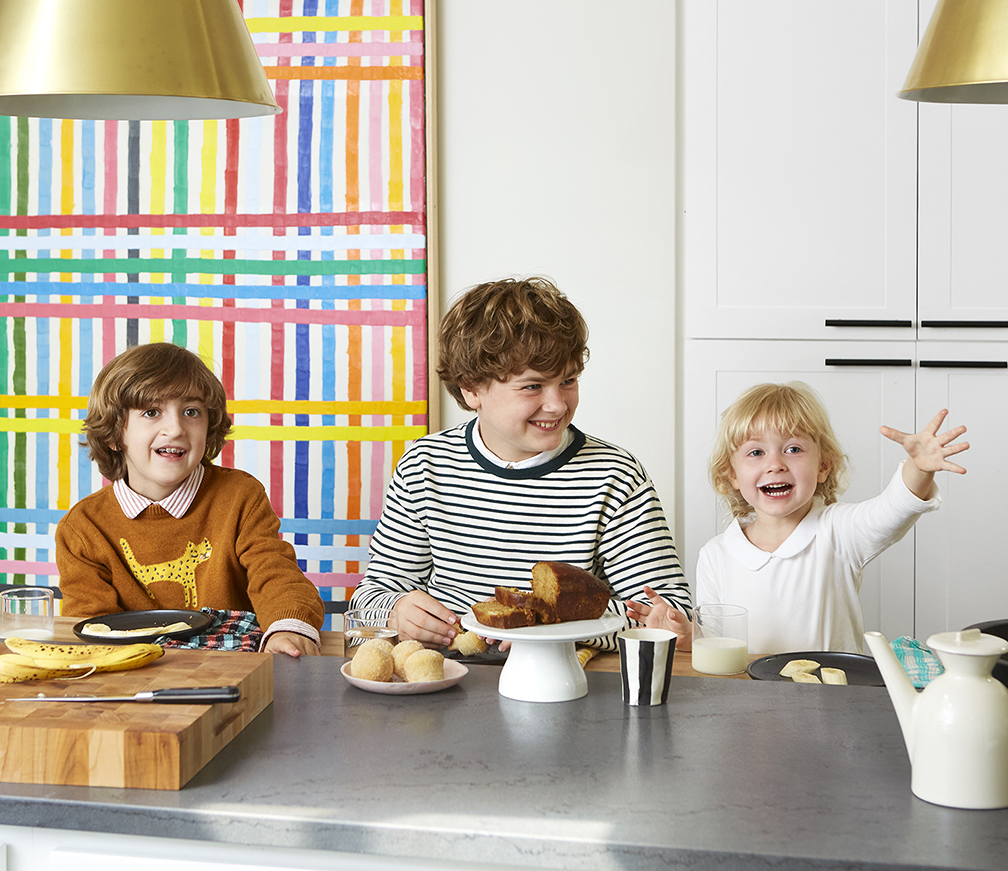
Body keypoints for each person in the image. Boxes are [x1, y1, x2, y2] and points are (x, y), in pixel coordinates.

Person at [350, 277, 691, 649]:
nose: (558, 404)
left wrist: (548, 632)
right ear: (471, 388)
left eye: (569, 380)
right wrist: (397, 612)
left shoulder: (616, 476)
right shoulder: (424, 466)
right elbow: (370, 600)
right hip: (450, 680)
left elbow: (668, 611)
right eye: (532, 386)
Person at [627, 381, 968, 654]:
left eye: (793, 449)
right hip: (749, 712)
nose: (775, 463)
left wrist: (918, 469)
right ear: (731, 474)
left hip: (833, 706)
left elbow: (892, 510)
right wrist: (687, 635)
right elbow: (718, 640)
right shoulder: (716, 555)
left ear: (823, 466)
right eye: (756, 452)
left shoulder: (839, 531)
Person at [55, 343, 324, 656]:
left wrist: (288, 628)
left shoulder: (240, 496)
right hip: (136, 676)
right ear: (115, 434)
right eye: (151, 412)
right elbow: (94, 630)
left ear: (209, 427)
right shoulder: (83, 529)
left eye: (191, 412)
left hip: (232, 671)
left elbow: (275, 575)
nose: (175, 428)